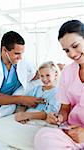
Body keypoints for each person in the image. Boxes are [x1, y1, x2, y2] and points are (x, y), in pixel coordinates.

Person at [34, 20, 84, 150]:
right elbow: (65, 108)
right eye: (66, 50)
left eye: (75, 46)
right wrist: (59, 117)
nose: (72, 54)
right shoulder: (67, 73)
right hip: (72, 132)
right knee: (43, 136)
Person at [0, 31, 44, 121]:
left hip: (10, 104)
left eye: (22, 53)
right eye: (16, 53)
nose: (20, 57)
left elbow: (34, 75)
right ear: (4, 50)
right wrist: (21, 99)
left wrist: (51, 68)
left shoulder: (21, 61)